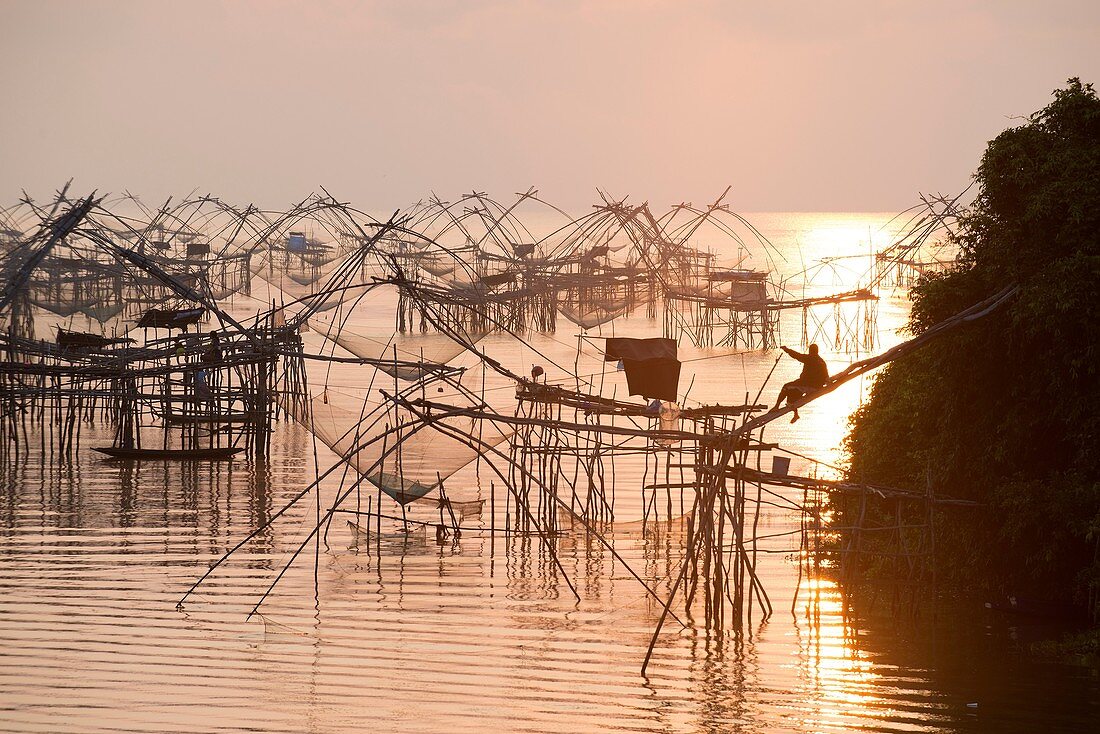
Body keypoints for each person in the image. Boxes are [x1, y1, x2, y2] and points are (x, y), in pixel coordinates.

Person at [774, 344, 829, 423]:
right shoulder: (821, 361)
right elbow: (826, 376)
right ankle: (796, 414)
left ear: (810, 351)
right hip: (815, 385)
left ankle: (776, 406)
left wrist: (786, 349)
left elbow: (797, 355)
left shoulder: (810, 358)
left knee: (786, 387)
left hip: (807, 384)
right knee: (792, 391)